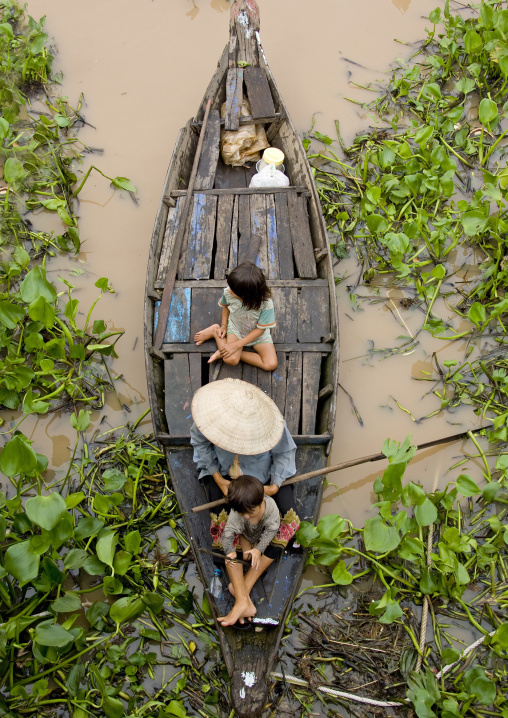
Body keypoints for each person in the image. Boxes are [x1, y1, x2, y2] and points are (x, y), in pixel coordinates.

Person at [190, 378, 300, 626]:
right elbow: (200, 442)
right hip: (227, 478)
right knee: (223, 528)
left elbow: (284, 454)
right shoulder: (211, 416)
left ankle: (243, 589)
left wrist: (273, 486)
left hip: (261, 482)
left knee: (290, 523)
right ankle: (242, 597)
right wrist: (218, 480)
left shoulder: (272, 423)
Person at [218, 475, 281, 626]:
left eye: (251, 512)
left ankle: (241, 597)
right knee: (232, 558)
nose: (246, 516)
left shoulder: (270, 507)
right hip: (244, 536)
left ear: (261, 501)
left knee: (287, 528)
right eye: (242, 513)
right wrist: (230, 551)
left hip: (262, 537)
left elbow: (272, 529)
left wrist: (259, 550)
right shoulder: (237, 514)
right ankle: (243, 600)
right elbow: (227, 534)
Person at [193, 261, 278, 371]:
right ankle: (215, 330)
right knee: (231, 360)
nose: (229, 290)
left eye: (234, 291)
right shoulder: (229, 292)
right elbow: (226, 306)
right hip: (236, 329)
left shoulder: (266, 304)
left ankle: (222, 351)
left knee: (270, 364)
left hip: (258, 336)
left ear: (246, 296)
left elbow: (260, 330)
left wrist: (235, 346)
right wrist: (223, 325)